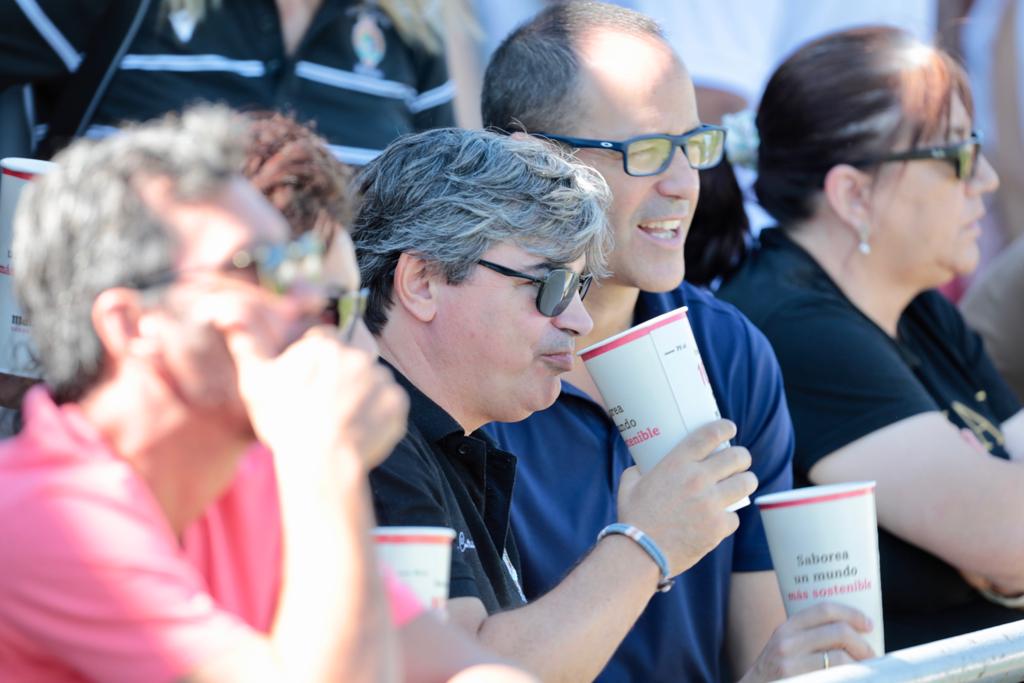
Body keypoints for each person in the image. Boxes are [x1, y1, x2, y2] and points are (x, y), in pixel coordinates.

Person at [480, 2, 876, 680]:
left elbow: (760, 652)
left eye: (693, 146)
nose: (683, 184)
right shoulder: (456, 360)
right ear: (528, 160)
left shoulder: (728, 350)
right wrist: (646, 542)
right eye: (645, 152)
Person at [0, 104, 412, 682]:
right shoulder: (43, 516)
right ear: (131, 324)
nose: (308, 301)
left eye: (295, 262)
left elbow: (453, 666)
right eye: (257, 266)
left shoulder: (253, 477)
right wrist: (327, 460)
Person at [353, 125, 759, 683]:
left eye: (580, 287)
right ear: (422, 281)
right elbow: (467, 675)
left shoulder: (450, 441)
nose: (579, 321)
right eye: (549, 287)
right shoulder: (365, 435)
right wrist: (646, 542)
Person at [185, 110, 539, 683]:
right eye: (327, 312)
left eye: (353, 309)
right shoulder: (73, 519)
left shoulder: (259, 484)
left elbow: (458, 669)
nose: (363, 351)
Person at [707, 27, 1024, 649]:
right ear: (853, 194)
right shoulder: (791, 324)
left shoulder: (921, 308)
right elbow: (1011, 535)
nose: (984, 178)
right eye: (957, 155)